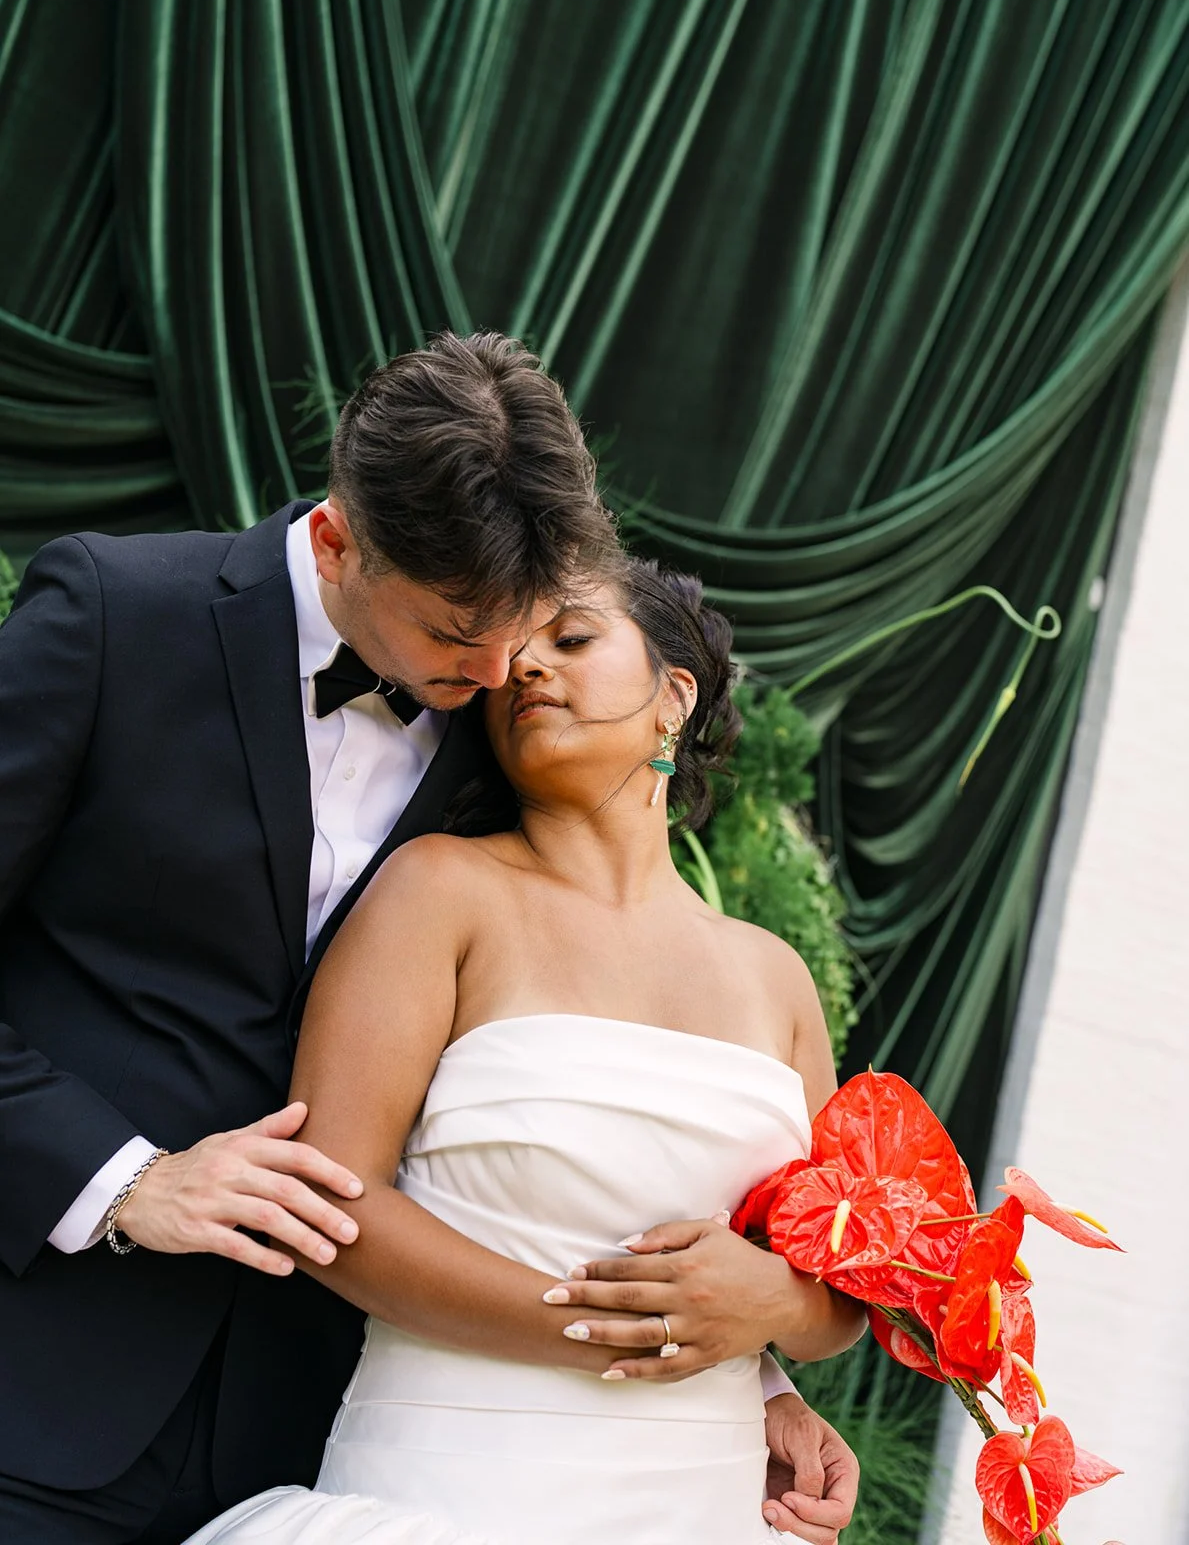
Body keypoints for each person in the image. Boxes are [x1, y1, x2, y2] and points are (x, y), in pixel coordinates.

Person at [0, 332, 856, 1543]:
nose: (505, 670)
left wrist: (749, 1375)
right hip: (46, 1367)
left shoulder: (509, 729)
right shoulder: (116, 615)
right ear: (337, 542)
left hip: (321, 1427)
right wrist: (127, 1178)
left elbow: (589, 1134)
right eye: (461, 633)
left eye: (534, 628)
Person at [183, 557, 869, 1545]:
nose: (529, 668)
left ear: (674, 696)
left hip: (711, 1500)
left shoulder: (777, 977)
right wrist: (606, 1334)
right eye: (508, 662)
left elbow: (838, 1282)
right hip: (454, 1487)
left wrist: (774, 1313)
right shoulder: (438, 891)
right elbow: (331, 1196)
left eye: (573, 639)